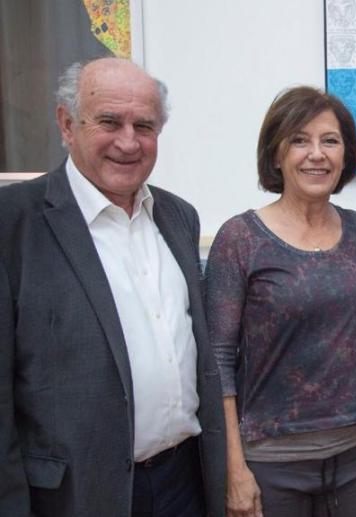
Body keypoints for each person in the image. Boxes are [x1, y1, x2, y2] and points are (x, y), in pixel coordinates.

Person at [0, 57, 226, 516]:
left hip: (184, 481)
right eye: (108, 122)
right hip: (75, 495)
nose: (128, 142)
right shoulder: (14, 222)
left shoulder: (178, 216)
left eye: (144, 126)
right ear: (67, 125)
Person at [205, 86, 356, 517]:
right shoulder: (240, 238)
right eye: (300, 140)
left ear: (346, 154)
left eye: (330, 140)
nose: (316, 154)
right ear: (276, 154)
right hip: (273, 461)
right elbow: (217, 360)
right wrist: (233, 469)